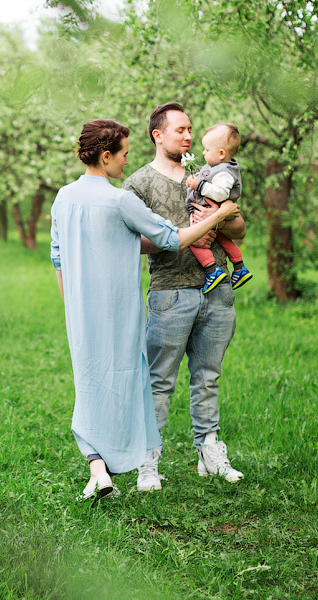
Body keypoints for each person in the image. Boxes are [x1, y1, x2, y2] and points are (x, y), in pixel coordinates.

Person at [50, 119, 240, 500]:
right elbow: (169, 238)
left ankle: (99, 469)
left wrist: (71, 306)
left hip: (78, 313)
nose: (125, 163)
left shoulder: (63, 197)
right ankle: (129, 460)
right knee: (127, 383)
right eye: (122, 155)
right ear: (105, 157)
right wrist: (219, 215)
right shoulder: (120, 198)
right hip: (119, 310)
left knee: (89, 388)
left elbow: (57, 258)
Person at [122, 103, 247, 492]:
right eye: (180, 130)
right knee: (159, 381)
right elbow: (136, 243)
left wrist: (224, 214)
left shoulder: (207, 174)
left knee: (208, 378)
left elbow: (239, 227)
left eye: (191, 129)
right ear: (158, 135)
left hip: (218, 290)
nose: (188, 136)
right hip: (170, 293)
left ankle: (209, 452)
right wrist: (189, 230)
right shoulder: (138, 184)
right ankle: (148, 461)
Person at [184, 123, 253, 293]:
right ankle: (239, 267)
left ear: (221, 153)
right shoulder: (217, 167)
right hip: (215, 213)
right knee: (223, 239)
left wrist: (198, 185)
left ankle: (212, 270)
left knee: (194, 241)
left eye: (207, 150)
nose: (203, 153)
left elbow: (221, 193)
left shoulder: (224, 172)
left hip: (208, 211)